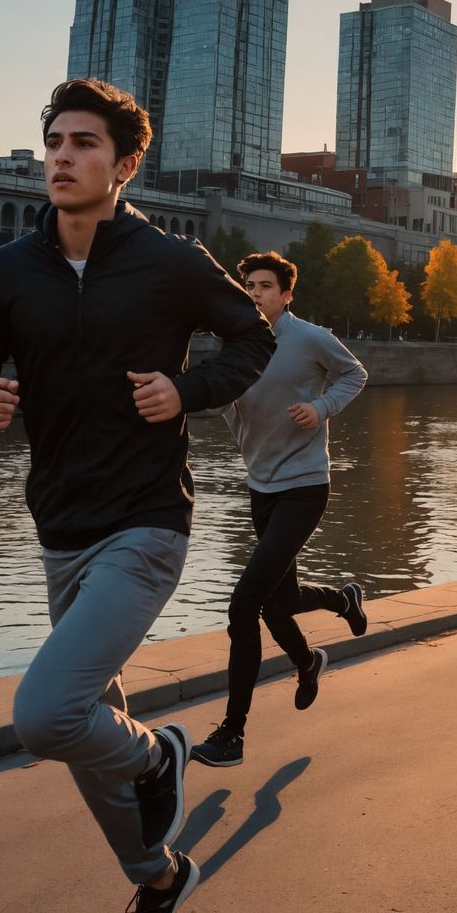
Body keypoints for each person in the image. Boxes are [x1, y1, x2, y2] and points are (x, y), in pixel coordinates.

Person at [0, 79, 275, 913]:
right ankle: (157, 877)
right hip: (60, 524)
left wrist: (187, 391)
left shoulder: (171, 262)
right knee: (92, 721)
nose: (61, 157)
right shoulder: (5, 272)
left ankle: (159, 757)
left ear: (124, 166)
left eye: (83, 144)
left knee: (47, 715)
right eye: (54, 141)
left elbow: (253, 338)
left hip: (148, 520)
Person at [189, 252, 369, 770]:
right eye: (248, 285)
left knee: (245, 604)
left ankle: (232, 734)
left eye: (264, 286)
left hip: (305, 486)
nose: (254, 293)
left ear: (286, 295)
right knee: (279, 601)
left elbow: (354, 373)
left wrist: (321, 407)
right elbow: (218, 403)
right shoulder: (236, 344)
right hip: (261, 486)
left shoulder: (309, 338)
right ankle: (322, 636)